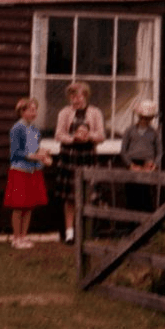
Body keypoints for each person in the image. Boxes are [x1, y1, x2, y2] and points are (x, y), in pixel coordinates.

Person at [54, 81, 105, 244]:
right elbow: (58, 135)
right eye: (72, 96)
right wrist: (73, 138)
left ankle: (85, 232)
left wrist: (88, 136)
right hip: (69, 157)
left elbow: (101, 136)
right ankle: (69, 233)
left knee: (88, 195)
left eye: (79, 96)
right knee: (69, 197)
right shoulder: (64, 112)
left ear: (85, 96)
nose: (76, 99)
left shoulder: (95, 112)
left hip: (88, 157)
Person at [4, 97, 52, 249]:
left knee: (29, 205)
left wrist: (44, 157)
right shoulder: (16, 129)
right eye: (31, 109)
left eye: (35, 109)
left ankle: (24, 236)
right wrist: (35, 156)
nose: (34, 112)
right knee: (19, 206)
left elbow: (35, 149)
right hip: (20, 170)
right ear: (22, 111)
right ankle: (16, 238)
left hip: (34, 171)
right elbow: (16, 152)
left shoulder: (35, 130)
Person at [120, 100, 161, 172]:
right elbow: (123, 151)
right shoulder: (129, 130)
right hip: (132, 163)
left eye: (148, 118)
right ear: (139, 116)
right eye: (142, 117)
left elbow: (159, 152)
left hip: (148, 164)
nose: (144, 120)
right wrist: (130, 165)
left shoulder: (154, 133)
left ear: (151, 118)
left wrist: (155, 165)